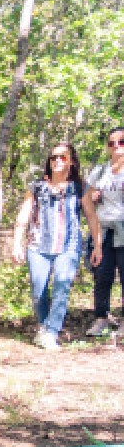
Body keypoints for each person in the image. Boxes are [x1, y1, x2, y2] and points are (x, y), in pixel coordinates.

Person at [10, 142, 95, 349]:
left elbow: (92, 217)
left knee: (62, 287)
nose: (57, 161)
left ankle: (51, 332)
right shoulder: (37, 187)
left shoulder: (80, 187)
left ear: (71, 162)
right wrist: (16, 243)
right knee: (38, 290)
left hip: (69, 245)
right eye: (53, 157)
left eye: (62, 157)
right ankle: (43, 326)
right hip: (38, 245)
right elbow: (24, 215)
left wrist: (98, 245)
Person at [84, 126, 124, 337]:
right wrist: (93, 201)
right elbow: (86, 200)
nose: (116, 146)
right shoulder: (100, 171)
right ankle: (101, 318)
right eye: (112, 143)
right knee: (102, 274)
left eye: (121, 142)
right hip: (104, 229)